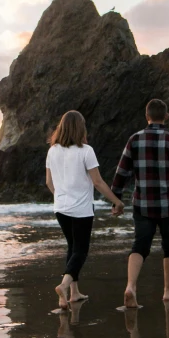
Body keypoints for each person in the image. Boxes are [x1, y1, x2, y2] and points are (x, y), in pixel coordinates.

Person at [111, 99, 169, 307]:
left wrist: (116, 199)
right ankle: (168, 291)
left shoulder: (134, 140)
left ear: (146, 116)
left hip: (143, 204)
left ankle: (131, 285)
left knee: (140, 244)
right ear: (166, 116)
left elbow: (121, 172)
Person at [46, 110, 124, 309]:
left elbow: (49, 182)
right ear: (81, 128)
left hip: (60, 208)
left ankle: (74, 293)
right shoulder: (85, 151)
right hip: (80, 209)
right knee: (80, 249)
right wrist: (116, 201)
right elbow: (97, 182)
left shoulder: (52, 150)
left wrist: (61, 196)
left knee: (72, 248)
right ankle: (64, 286)